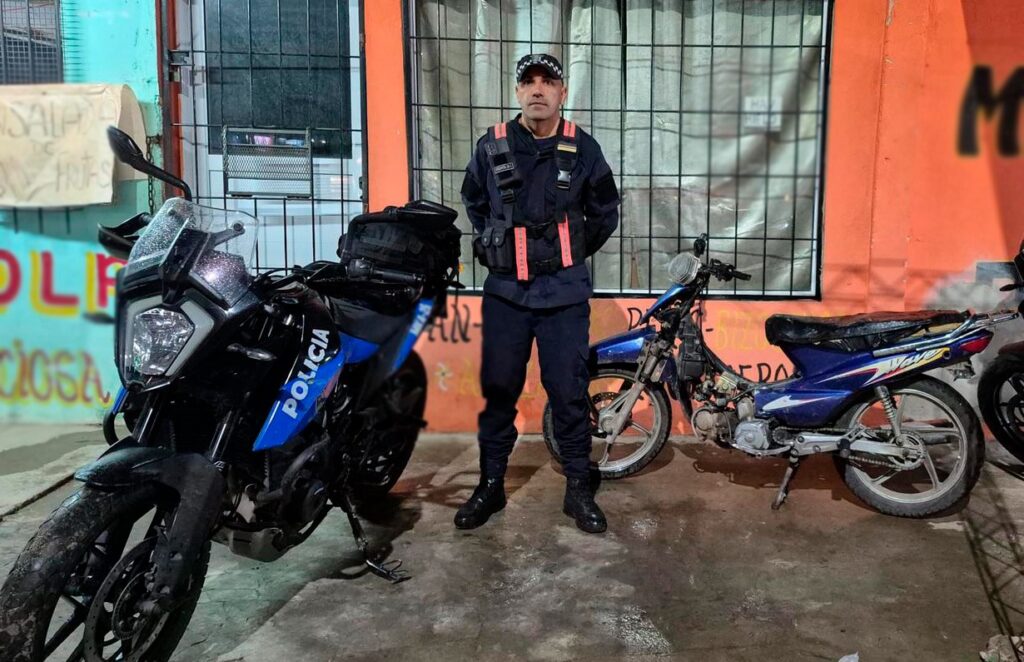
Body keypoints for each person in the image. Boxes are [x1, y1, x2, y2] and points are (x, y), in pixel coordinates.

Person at [457, 53, 620, 534]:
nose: (538, 89)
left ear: (562, 93)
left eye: (548, 81)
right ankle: (491, 484)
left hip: (564, 295)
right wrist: (501, 244)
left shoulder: (583, 147)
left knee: (568, 393)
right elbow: (474, 200)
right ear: (517, 92)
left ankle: (578, 487)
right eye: (528, 81)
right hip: (506, 293)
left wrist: (565, 254)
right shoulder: (493, 145)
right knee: (498, 392)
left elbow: (605, 212)